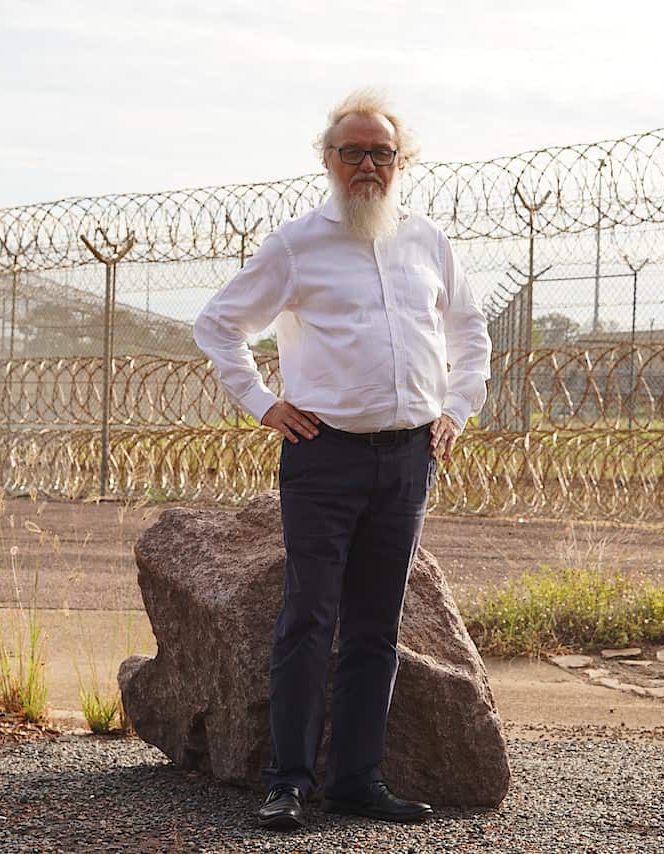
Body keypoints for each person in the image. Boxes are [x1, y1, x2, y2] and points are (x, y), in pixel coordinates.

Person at [193, 89, 491, 831]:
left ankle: (358, 781)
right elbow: (218, 324)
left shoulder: (428, 242)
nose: (367, 164)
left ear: (401, 162)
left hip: (407, 459)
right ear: (327, 161)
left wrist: (456, 410)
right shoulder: (298, 244)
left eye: (381, 153)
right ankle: (288, 781)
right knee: (308, 618)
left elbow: (470, 332)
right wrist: (264, 403)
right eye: (352, 151)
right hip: (323, 457)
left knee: (375, 626)